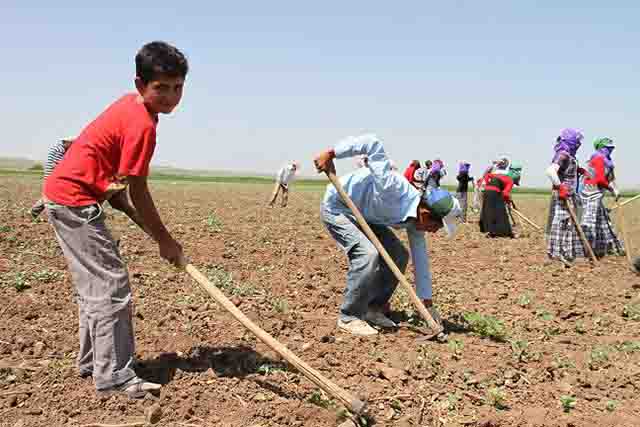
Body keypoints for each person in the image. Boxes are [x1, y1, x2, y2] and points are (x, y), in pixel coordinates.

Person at [43, 41, 189, 398]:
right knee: (111, 284)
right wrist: (165, 241)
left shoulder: (130, 105)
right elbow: (139, 191)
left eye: (178, 87)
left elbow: (100, 157)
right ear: (140, 84)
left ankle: (94, 363)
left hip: (67, 196)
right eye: (161, 88)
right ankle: (115, 376)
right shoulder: (143, 125)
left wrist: (109, 191)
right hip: (73, 201)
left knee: (96, 287)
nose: (171, 97)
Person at [314, 134, 461, 336]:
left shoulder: (415, 222)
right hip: (338, 207)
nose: (435, 231)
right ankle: (349, 316)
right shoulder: (393, 188)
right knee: (367, 254)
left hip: (365, 216)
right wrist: (332, 153)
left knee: (399, 255)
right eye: (437, 226)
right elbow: (372, 144)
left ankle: (373, 308)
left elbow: (420, 261)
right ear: (426, 213)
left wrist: (428, 304)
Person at [579, 138, 624, 257]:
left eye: (611, 148)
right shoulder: (597, 158)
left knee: (604, 222)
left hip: (598, 195)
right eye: (607, 148)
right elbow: (600, 179)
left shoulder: (609, 162)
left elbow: (611, 178)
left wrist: (616, 189)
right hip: (590, 194)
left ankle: (611, 247)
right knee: (589, 223)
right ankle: (587, 250)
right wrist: (611, 189)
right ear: (600, 148)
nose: (610, 150)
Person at [545, 129, 584, 265]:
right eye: (576, 142)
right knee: (561, 221)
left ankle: (566, 253)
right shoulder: (563, 154)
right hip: (563, 195)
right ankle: (555, 254)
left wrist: (579, 170)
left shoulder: (569, 156)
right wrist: (560, 187)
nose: (578, 145)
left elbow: (566, 171)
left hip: (569, 194)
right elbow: (550, 171)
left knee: (569, 223)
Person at [30, 137, 75, 218]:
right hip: (52, 176)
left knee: (51, 195)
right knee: (49, 196)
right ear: (67, 142)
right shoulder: (59, 149)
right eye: (71, 144)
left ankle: (35, 212)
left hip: (52, 175)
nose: (71, 146)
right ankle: (34, 211)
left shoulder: (59, 148)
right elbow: (58, 163)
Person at [479, 163, 522, 238]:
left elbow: (486, 178)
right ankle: (509, 233)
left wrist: (507, 201)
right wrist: (507, 201)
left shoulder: (497, 175)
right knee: (502, 214)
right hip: (495, 192)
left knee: (489, 212)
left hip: (486, 192)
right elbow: (505, 193)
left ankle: (491, 232)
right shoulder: (510, 180)